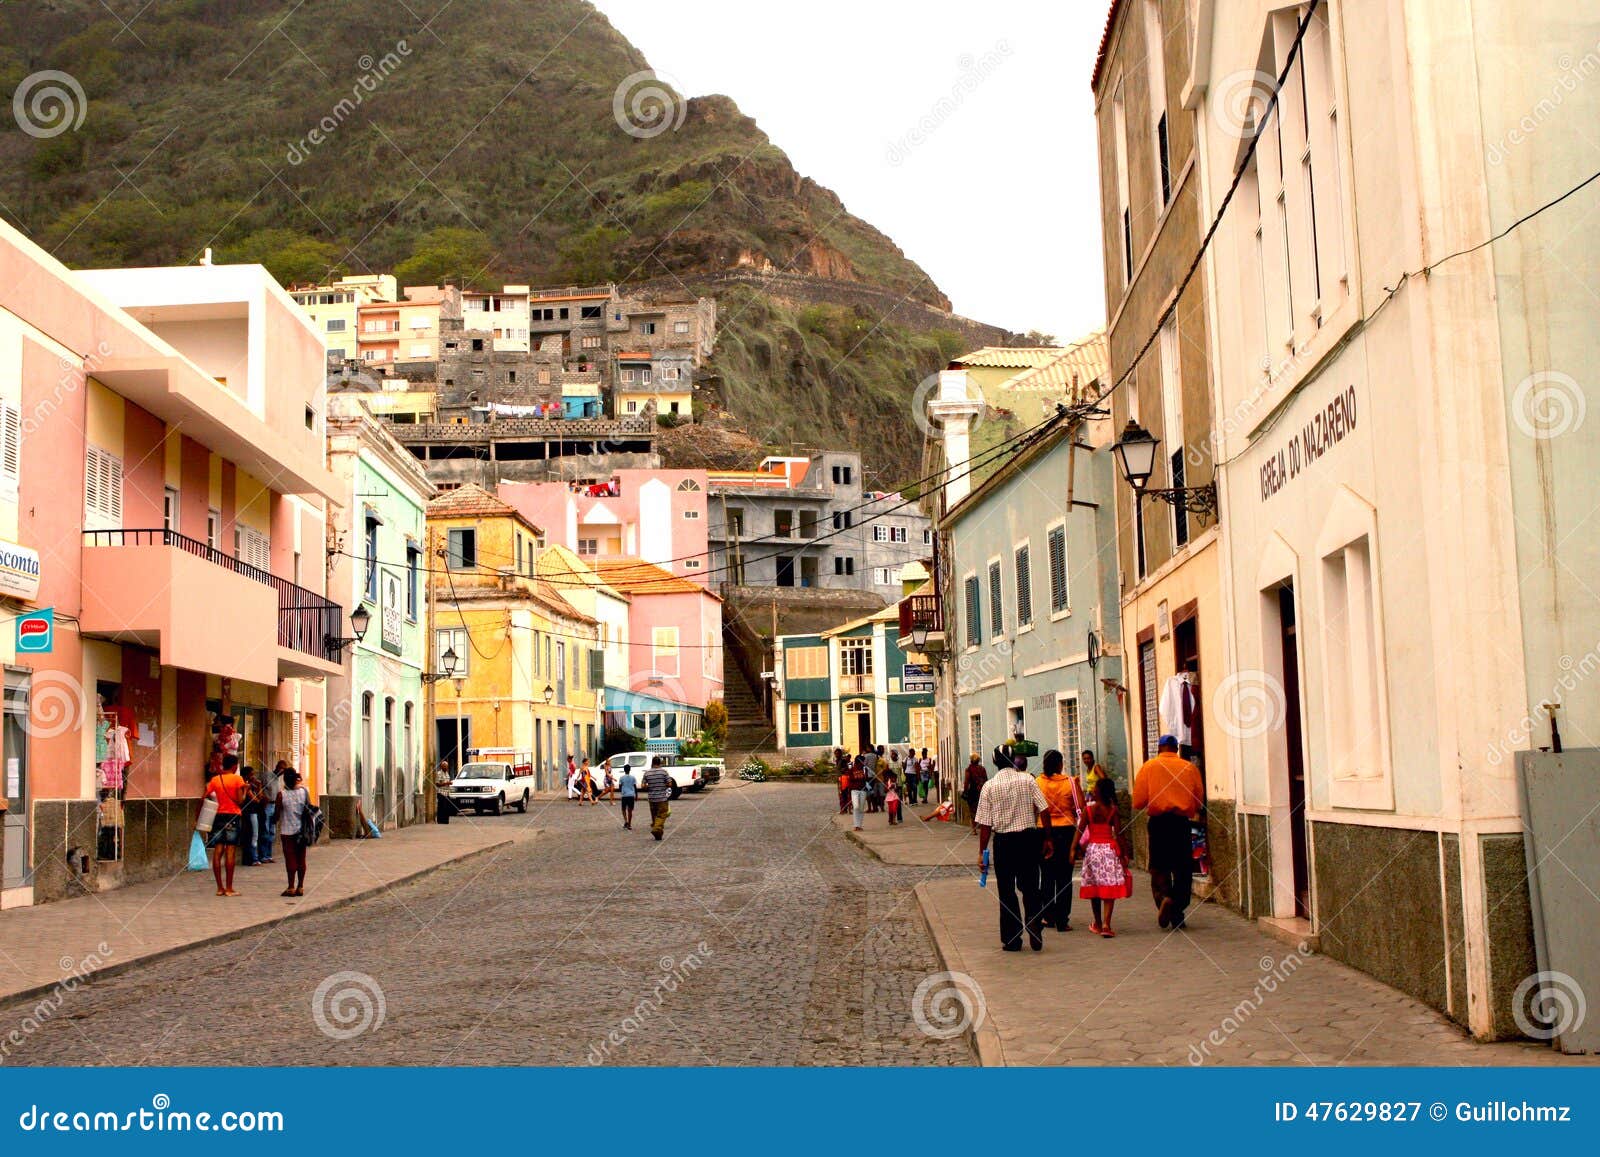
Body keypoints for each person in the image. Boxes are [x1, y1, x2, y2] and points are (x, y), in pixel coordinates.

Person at [974, 751, 1052, 952]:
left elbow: (984, 824)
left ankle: (1012, 938)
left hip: (1004, 842)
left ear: (994, 762)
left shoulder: (989, 786)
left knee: (1006, 890)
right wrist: (1048, 838)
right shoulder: (1027, 780)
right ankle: (1034, 921)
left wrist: (982, 852)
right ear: (1013, 760)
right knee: (1031, 887)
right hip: (1028, 839)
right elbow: (1044, 809)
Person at [1133, 734, 1205, 930]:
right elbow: (1198, 801)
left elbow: (1138, 802)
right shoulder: (1189, 768)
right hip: (1180, 824)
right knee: (1182, 869)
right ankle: (1176, 907)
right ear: (1176, 750)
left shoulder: (1149, 767)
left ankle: (1164, 897)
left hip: (1158, 824)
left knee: (1159, 868)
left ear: (1160, 749)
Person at [1079, 775, 1133, 936]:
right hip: (1109, 851)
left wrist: (1074, 849)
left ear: (1099, 792)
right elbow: (1119, 833)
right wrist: (1124, 853)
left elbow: (1080, 830)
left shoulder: (1088, 809)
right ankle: (1106, 925)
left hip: (1092, 851)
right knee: (1108, 887)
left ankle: (1096, 923)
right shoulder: (1113, 810)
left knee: (1094, 887)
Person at [1035, 750, 1082, 932]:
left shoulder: (1038, 782)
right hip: (1066, 831)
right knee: (1064, 877)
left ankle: (1048, 916)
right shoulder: (1071, 782)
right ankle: (1063, 919)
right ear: (1061, 764)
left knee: (1046, 876)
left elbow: (1034, 808)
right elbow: (1081, 808)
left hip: (1043, 831)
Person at [202, 755, 247, 897]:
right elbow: (240, 801)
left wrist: (198, 818)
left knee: (218, 850)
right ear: (234, 766)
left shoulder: (216, 779)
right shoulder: (237, 779)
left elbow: (204, 796)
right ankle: (229, 888)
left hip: (218, 816)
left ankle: (219, 888)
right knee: (230, 851)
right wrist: (245, 790)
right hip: (233, 816)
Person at [274, 768, 311, 897]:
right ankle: (300, 886)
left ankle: (291, 887)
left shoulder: (281, 795)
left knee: (290, 859)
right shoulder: (304, 792)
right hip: (302, 830)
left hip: (287, 831)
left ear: (284, 780)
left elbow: (276, 815)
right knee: (301, 858)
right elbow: (309, 809)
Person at [238, 766, 267, 867]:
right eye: (251, 774)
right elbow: (256, 799)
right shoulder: (246, 786)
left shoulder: (253, 786)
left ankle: (255, 857)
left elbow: (261, 796)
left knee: (255, 834)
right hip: (250, 812)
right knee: (254, 835)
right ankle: (254, 858)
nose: (253, 776)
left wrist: (259, 787)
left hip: (255, 811)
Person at [259, 761, 285, 864]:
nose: (281, 772)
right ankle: (263, 855)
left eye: (283, 770)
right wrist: (262, 798)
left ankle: (269, 855)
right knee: (264, 830)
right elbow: (259, 786)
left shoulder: (279, 780)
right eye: (280, 769)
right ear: (277, 767)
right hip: (267, 805)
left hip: (275, 805)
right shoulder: (267, 776)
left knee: (272, 832)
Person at [643, 756, 673, 840]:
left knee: (655, 816)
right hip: (662, 798)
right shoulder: (664, 772)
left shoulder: (647, 773)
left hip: (652, 798)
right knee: (662, 815)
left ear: (652, 763)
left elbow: (643, 786)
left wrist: (650, 786)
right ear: (659, 763)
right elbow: (670, 784)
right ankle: (656, 828)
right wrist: (664, 785)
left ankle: (658, 835)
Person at [961, 753, 987, 830]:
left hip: (973, 791)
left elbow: (966, 782)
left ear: (971, 760)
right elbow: (986, 780)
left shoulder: (969, 769)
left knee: (972, 810)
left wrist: (965, 791)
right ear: (978, 760)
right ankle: (982, 827)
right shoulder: (982, 769)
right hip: (981, 791)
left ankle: (974, 829)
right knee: (981, 809)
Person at [847, 753, 868, 831]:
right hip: (854, 790)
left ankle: (859, 825)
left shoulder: (865, 769)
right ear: (858, 762)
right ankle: (856, 825)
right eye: (863, 761)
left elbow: (867, 779)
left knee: (861, 808)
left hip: (863, 790)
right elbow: (850, 780)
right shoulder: (851, 769)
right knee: (856, 807)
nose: (864, 763)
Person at [618, 765, 639, 830]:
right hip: (631, 795)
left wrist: (622, 792)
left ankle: (626, 821)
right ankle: (629, 824)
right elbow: (635, 787)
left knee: (623, 809)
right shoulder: (633, 778)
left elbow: (620, 787)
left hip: (624, 795)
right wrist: (636, 795)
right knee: (630, 810)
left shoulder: (621, 778)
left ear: (624, 770)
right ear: (630, 770)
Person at [434, 760, 454, 824]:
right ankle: (440, 821)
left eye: (446, 766)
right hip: (441, 793)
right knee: (441, 808)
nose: (445, 767)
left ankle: (446, 821)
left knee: (447, 808)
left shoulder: (447, 774)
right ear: (441, 767)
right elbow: (437, 784)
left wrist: (449, 783)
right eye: (444, 766)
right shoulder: (439, 773)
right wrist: (446, 783)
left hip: (447, 793)